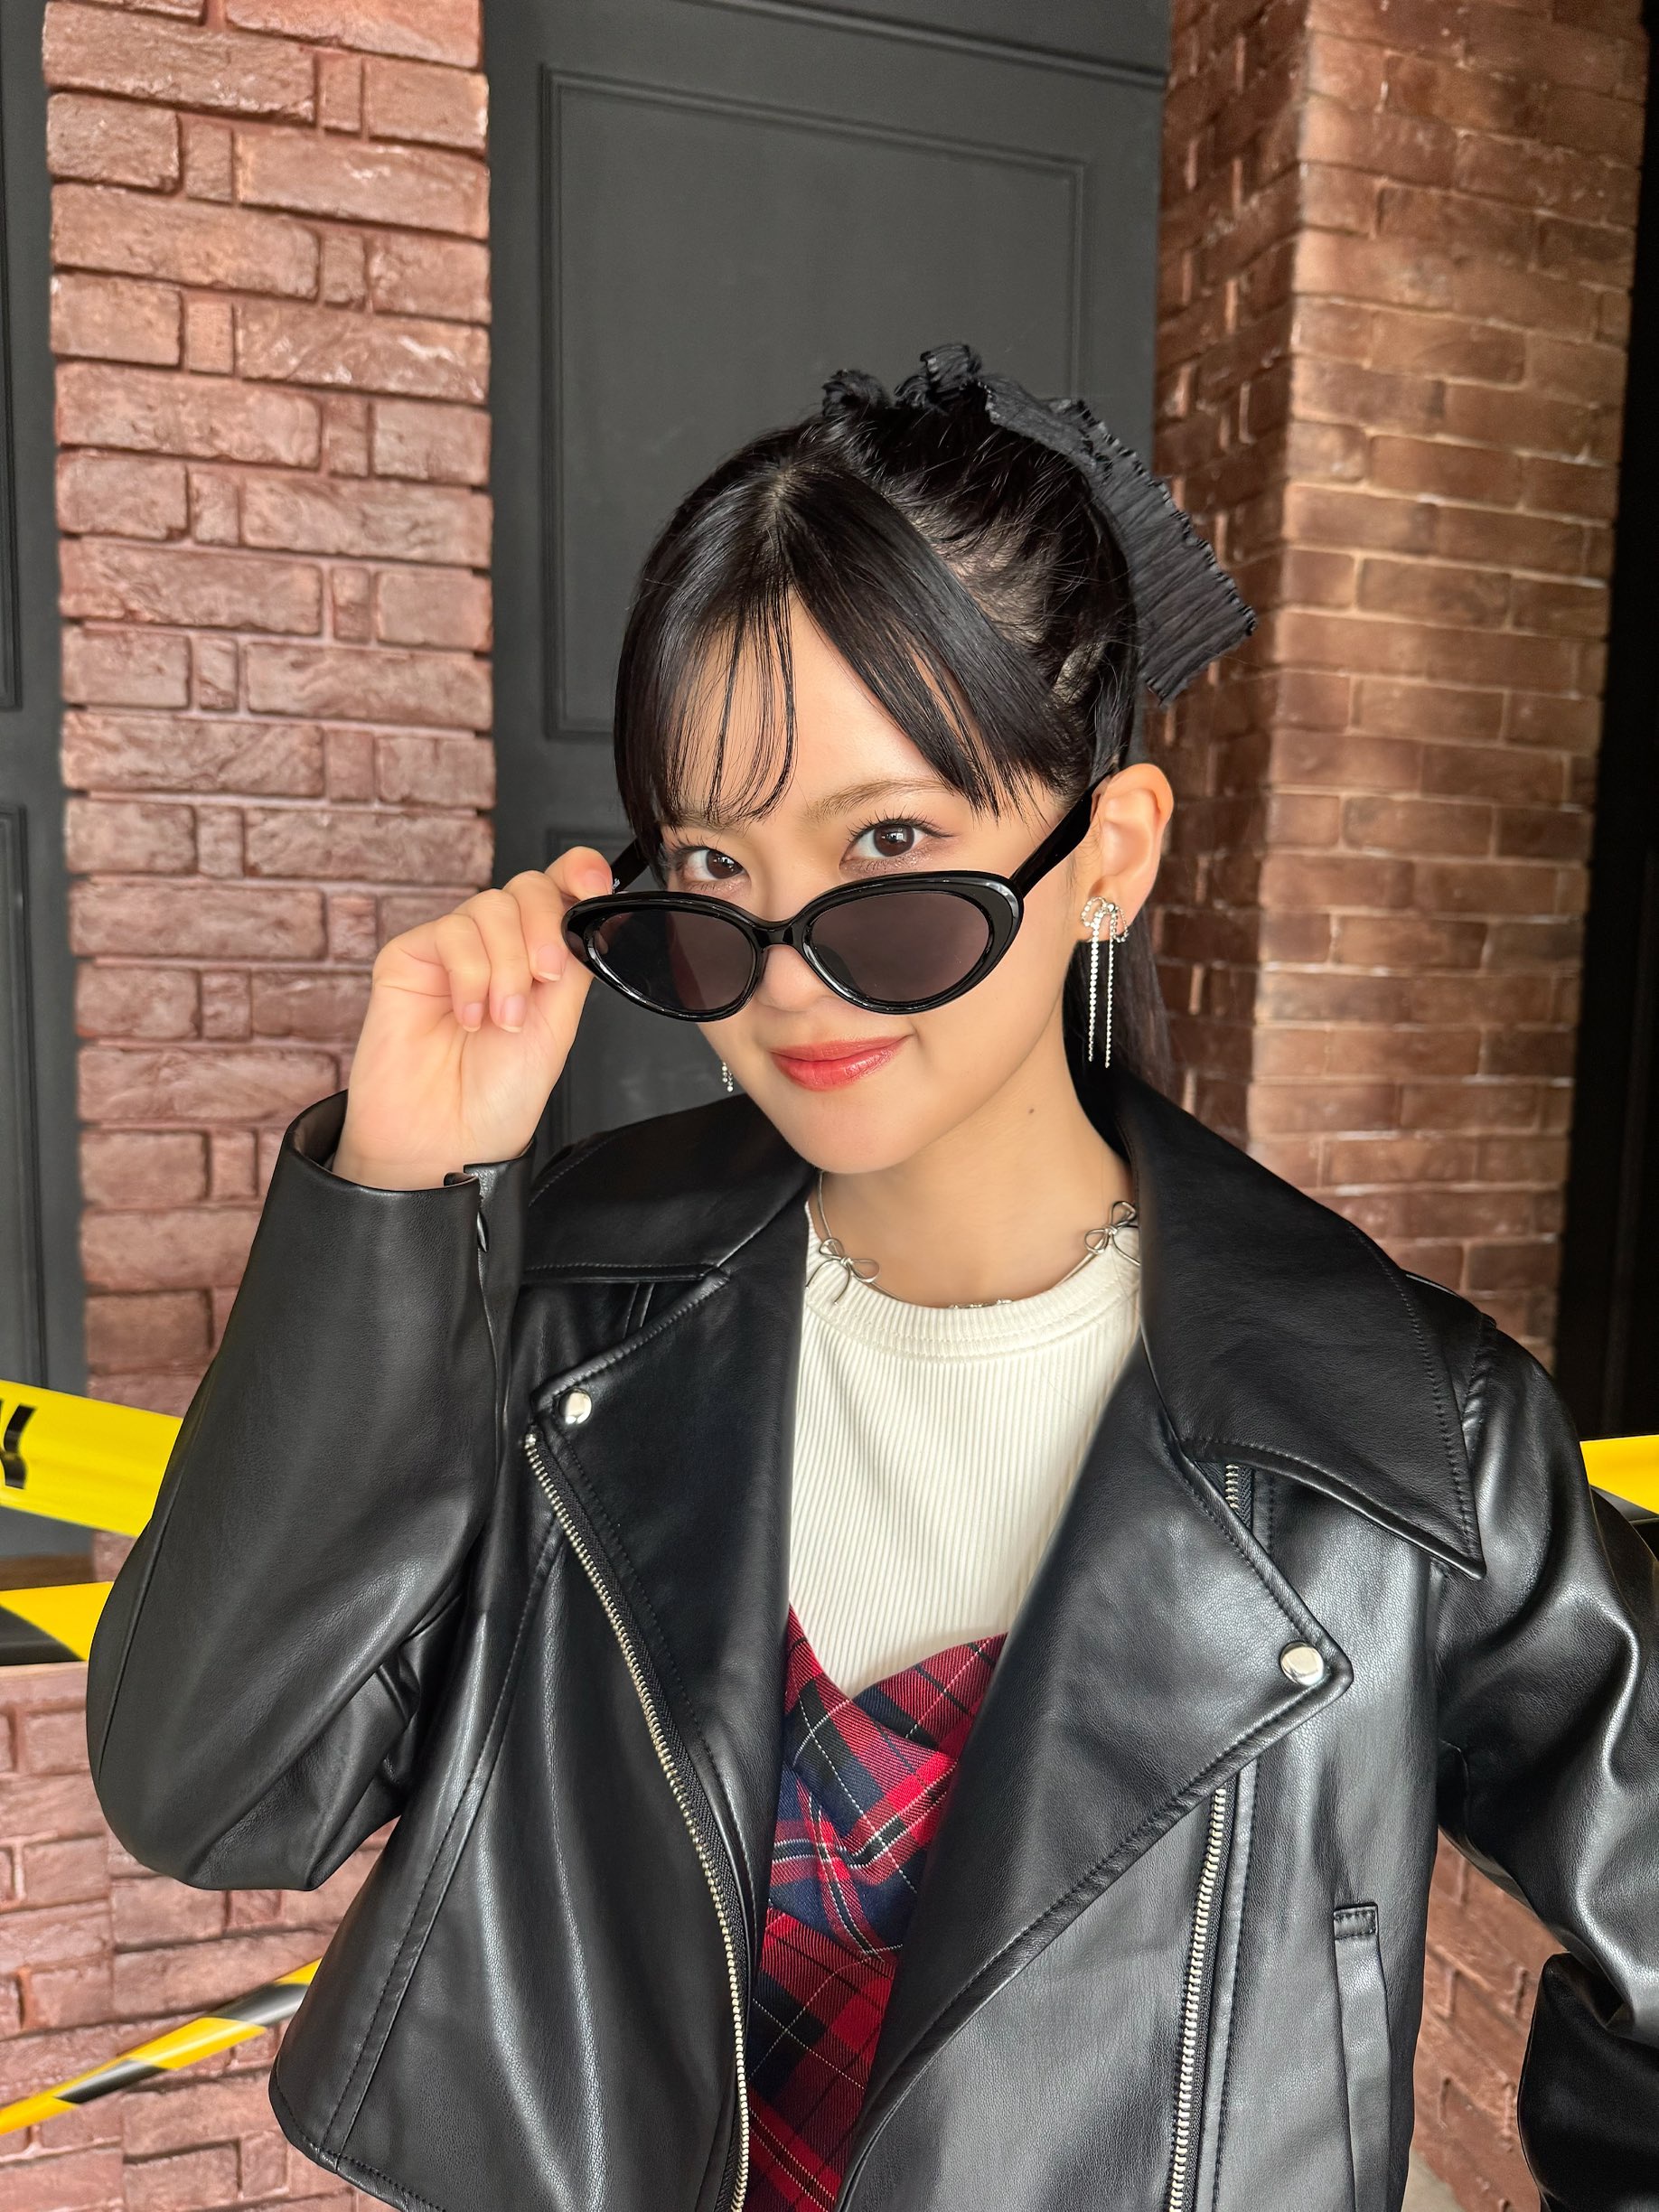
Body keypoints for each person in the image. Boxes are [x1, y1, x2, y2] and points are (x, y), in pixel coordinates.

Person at [86, 346, 1659, 2212]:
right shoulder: (572, 1305)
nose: (789, 977)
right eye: (712, 872)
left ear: (1107, 856)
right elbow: (214, 1793)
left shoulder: (1403, 1440)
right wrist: (397, 1188)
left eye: (892, 852)